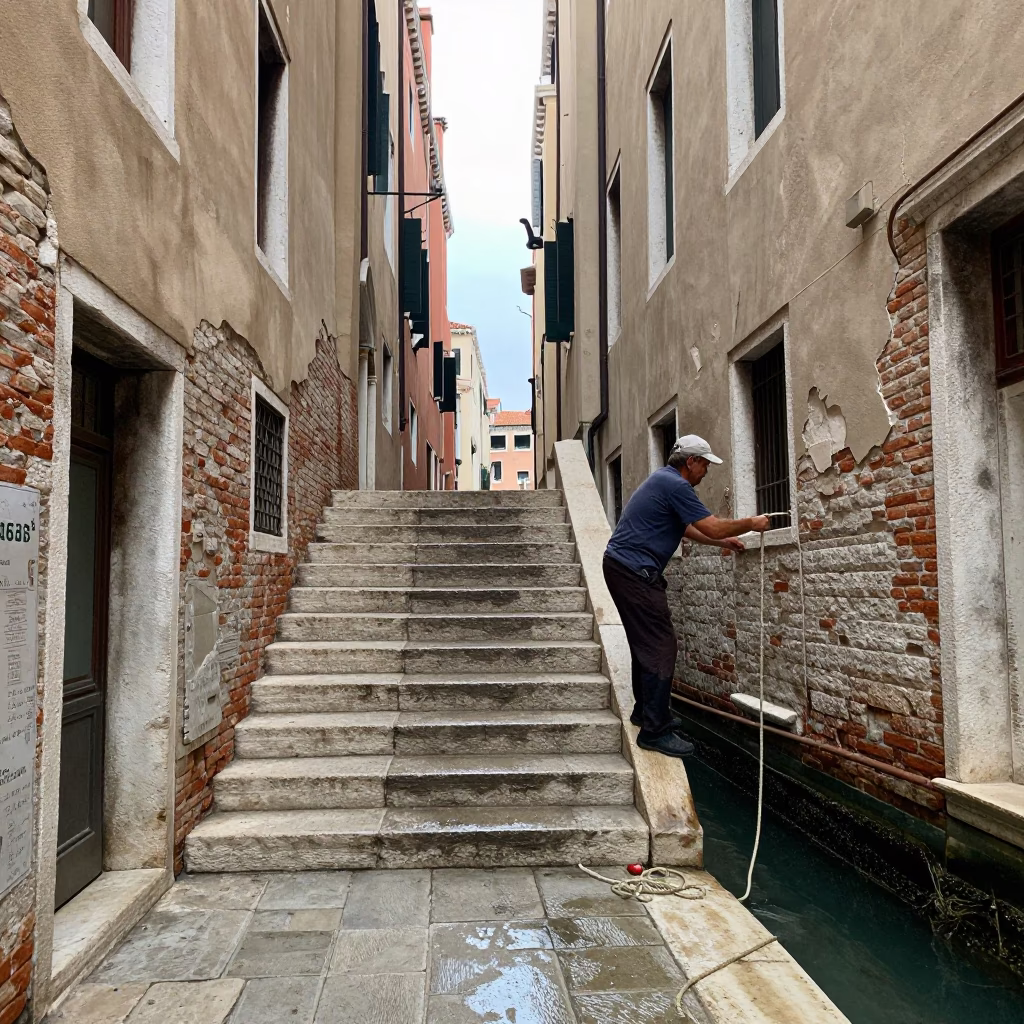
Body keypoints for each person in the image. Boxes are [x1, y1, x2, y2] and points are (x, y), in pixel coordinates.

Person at [603, 434, 770, 759]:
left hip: (621, 568)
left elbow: (685, 529)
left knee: (645, 645)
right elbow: (713, 526)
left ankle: (648, 713)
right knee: (661, 646)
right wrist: (752, 523)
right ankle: (655, 731)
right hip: (634, 573)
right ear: (690, 462)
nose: (706, 470)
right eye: (704, 464)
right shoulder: (676, 486)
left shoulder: (663, 482)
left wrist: (723, 544)